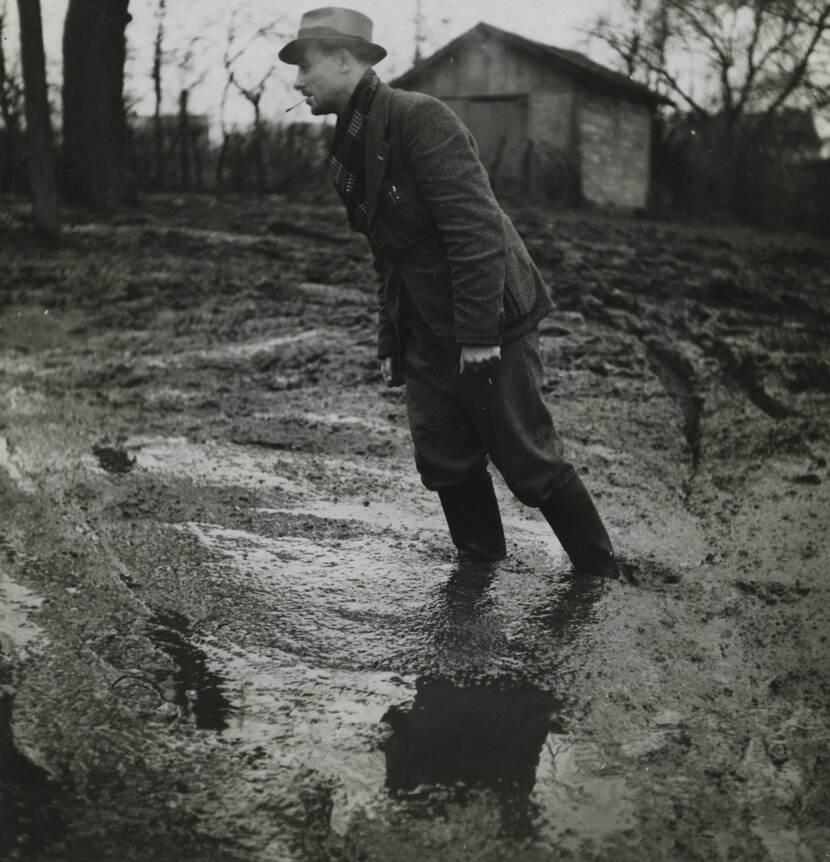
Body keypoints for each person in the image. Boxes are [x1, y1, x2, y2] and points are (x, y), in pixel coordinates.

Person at [279, 7, 619, 577]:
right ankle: (479, 567)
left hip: (487, 317)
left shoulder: (420, 118)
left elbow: (475, 227)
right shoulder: (349, 147)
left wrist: (480, 332)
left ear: (344, 60)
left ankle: (599, 573)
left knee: (525, 455)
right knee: (442, 454)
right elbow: (387, 248)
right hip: (423, 322)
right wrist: (391, 335)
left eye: (304, 66)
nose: (296, 82)